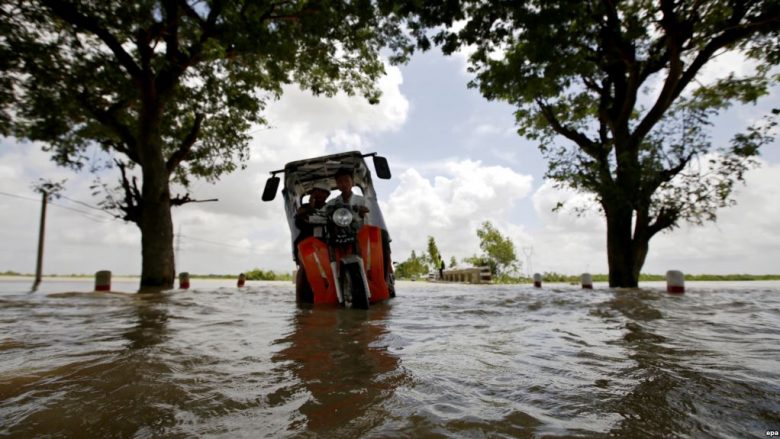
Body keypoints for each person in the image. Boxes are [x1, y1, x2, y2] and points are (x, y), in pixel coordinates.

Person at [294, 183, 330, 303]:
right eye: (316, 191)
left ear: (327, 195)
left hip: (326, 243)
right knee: (303, 268)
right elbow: (298, 222)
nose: (319, 194)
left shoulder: (331, 208)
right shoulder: (304, 208)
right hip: (305, 244)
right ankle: (299, 300)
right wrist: (311, 205)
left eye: (323, 192)